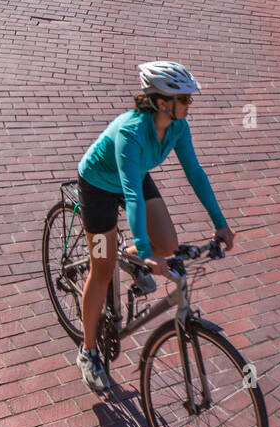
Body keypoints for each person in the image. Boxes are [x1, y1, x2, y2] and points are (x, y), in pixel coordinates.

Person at [74, 62, 234, 391]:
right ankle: (88, 351)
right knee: (101, 269)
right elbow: (131, 196)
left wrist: (221, 224)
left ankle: (130, 258)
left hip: (134, 176)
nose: (190, 104)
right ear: (162, 103)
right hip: (99, 186)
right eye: (185, 99)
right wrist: (144, 252)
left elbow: (196, 174)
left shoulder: (177, 127)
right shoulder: (131, 132)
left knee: (167, 244)